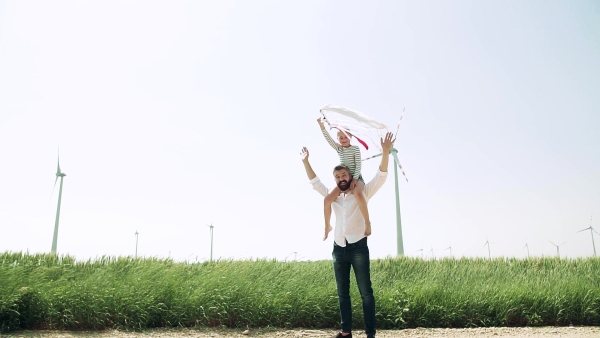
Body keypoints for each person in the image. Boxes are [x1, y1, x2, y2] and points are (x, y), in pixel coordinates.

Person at [300, 132, 396, 338]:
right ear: (335, 180)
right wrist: (306, 162)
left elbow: (381, 177)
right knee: (342, 294)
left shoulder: (362, 193)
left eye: (344, 176)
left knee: (366, 293)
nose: (341, 179)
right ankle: (346, 332)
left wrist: (386, 152)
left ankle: (370, 333)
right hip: (338, 248)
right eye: (337, 177)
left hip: (358, 247)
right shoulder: (333, 197)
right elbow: (315, 183)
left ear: (350, 176)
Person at [318, 117, 371, 241]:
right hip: (343, 180)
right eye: (340, 138)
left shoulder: (355, 149)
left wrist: (355, 179)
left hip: (356, 178)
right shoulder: (339, 149)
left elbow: (358, 165)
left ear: (350, 137)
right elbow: (329, 140)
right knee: (327, 200)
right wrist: (322, 126)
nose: (343, 140)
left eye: (345, 137)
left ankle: (367, 222)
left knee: (358, 194)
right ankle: (327, 226)